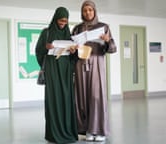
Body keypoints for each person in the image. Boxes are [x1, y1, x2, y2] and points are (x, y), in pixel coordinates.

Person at [71, 0, 117, 142]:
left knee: (96, 98)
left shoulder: (103, 27)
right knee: (82, 98)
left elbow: (112, 49)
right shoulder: (77, 28)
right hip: (80, 65)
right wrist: (72, 48)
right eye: (85, 10)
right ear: (82, 12)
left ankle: (99, 130)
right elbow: (71, 49)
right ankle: (88, 130)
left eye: (90, 10)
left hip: (96, 65)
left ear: (94, 11)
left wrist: (107, 40)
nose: (88, 12)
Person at [35, 7, 78, 144]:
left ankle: (67, 131)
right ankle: (53, 134)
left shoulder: (68, 35)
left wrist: (73, 52)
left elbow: (74, 58)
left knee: (66, 100)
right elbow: (38, 51)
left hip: (66, 72)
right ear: (55, 19)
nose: (63, 23)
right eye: (60, 20)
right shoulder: (46, 33)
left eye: (65, 21)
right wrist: (45, 48)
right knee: (53, 101)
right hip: (52, 71)